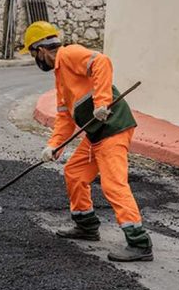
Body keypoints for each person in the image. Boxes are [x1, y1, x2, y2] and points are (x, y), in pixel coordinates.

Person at [21, 21, 153, 262]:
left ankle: (139, 242)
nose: (34, 59)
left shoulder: (69, 54)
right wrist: (54, 146)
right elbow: (64, 117)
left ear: (40, 50)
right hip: (96, 134)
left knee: (113, 184)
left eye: (32, 53)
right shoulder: (60, 75)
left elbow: (101, 62)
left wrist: (102, 102)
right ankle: (86, 225)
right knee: (74, 173)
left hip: (113, 128)